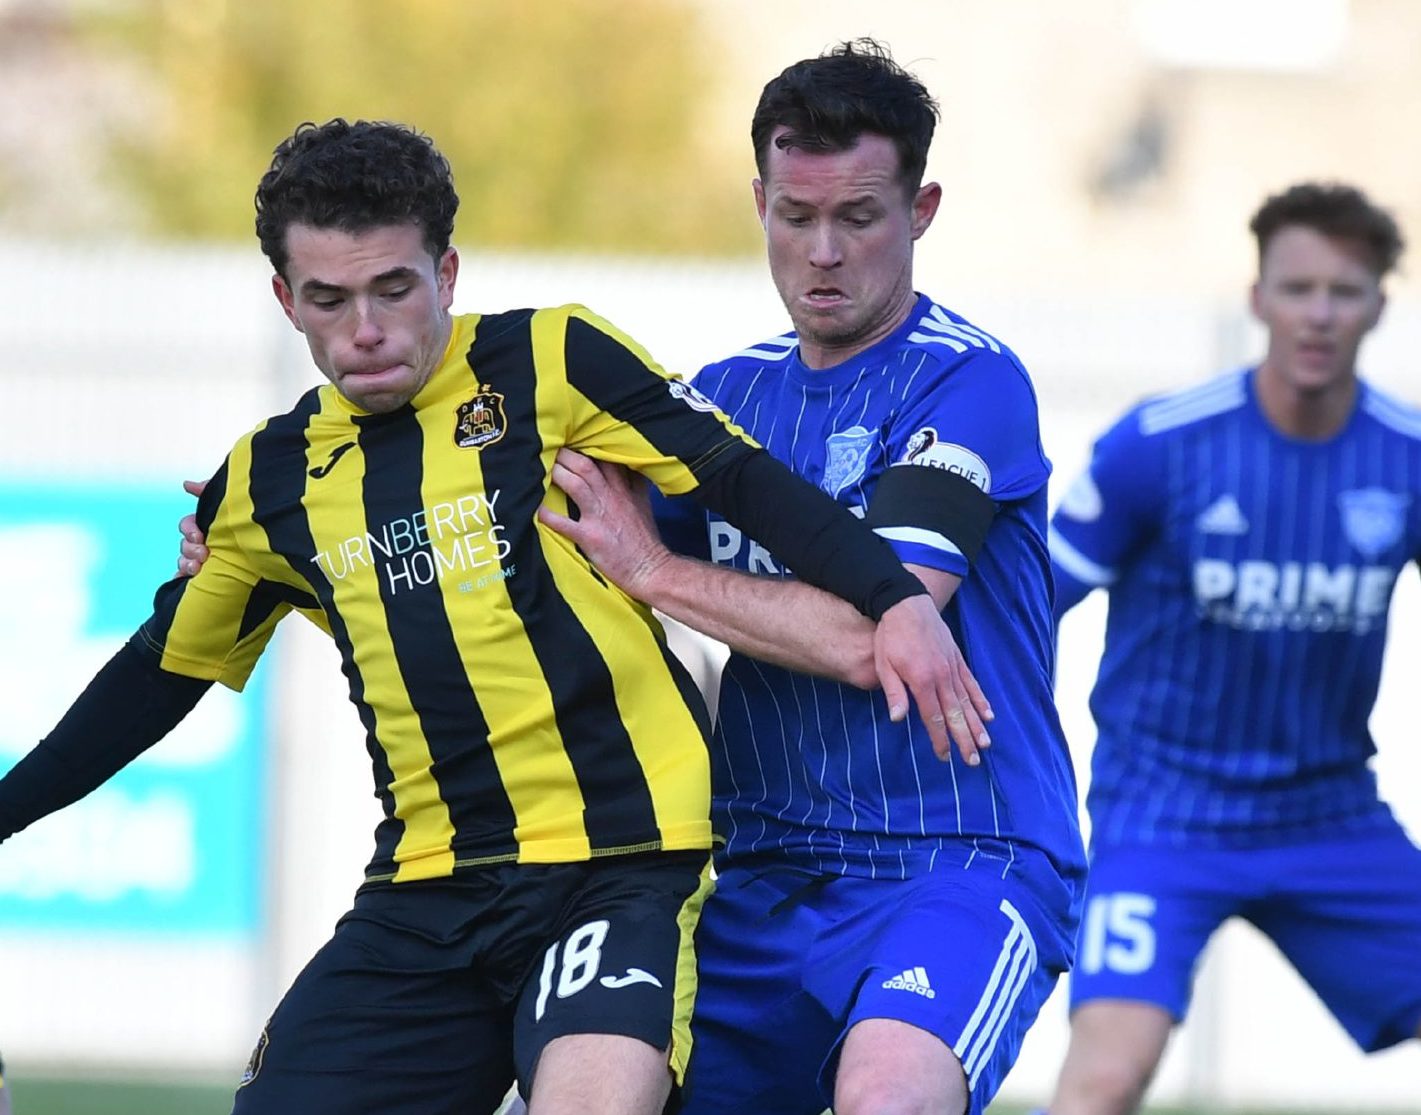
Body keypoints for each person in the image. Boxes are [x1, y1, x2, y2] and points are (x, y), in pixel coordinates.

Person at [0, 118, 990, 1115]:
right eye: (329, 300)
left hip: (622, 867)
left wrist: (894, 598)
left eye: (394, 287)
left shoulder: (549, 362)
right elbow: (155, 674)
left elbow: (743, 481)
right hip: (425, 889)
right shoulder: (265, 480)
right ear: (284, 299)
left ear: (447, 270)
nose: (367, 329)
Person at [532, 40, 1086, 1115]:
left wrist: (653, 565)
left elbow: (884, 615)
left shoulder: (970, 380)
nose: (821, 250)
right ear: (759, 202)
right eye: (794, 216)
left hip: (960, 858)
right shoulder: (718, 398)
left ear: (920, 208)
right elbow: (549, 532)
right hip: (753, 866)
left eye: (859, 216)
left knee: (887, 1096)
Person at [1042, 181, 1421, 1115]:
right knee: (1103, 1078)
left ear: (1379, 301)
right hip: (1163, 815)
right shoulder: (1158, 447)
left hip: (1327, 814)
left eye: (1344, 289)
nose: (1318, 314)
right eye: (1296, 288)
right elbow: (1029, 602)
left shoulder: (1405, 456)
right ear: (1257, 297)